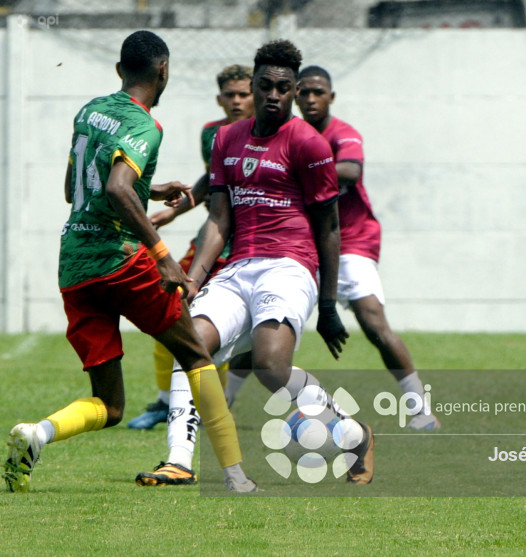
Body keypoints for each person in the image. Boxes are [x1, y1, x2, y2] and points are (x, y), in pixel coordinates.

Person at [3, 30, 256, 493]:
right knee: (196, 354)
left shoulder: (89, 111)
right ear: (164, 71)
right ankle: (234, 473)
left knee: (111, 406)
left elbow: (74, 188)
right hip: (122, 260)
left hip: (75, 266)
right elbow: (119, 188)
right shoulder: (145, 126)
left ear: (120, 71)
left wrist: (149, 188)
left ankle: (37, 433)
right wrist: (162, 256)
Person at [136, 39, 375, 487]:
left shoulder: (309, 142)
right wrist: (192, 278)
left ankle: (353, 432)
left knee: (269, 366)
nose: (272, 95)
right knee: (189, 345)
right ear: (255, 83)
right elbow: (219, 220)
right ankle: (179, 460)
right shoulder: (227, 138)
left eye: (283, 88)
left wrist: (326, 305)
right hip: (238, 266)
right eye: (264, 85)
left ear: (293, 90)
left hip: (290, 265)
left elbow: (329, 227)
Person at [226, 63, 435, 430]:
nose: (310, 99)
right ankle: (223, 402)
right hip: (301, 246)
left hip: (350, 240)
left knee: (373, 322)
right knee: (262, 324)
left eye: (317, 92)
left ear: (331, 97)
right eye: (304, 91)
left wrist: (298, 168)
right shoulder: (286, 134)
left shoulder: (340, 134)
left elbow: (351, 170)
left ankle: (419, 407)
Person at [127, 64, 254, 434]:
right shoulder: (212, 134)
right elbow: (210, 181)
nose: (236, 101)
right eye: (229, 95)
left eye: (243, 94)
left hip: (249, 246)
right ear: (219, 98)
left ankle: (219, 405)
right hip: (209, 241)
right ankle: (166, 404)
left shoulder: (276, 133)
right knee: (166, 305)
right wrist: (172, 212)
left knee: (229, 327)